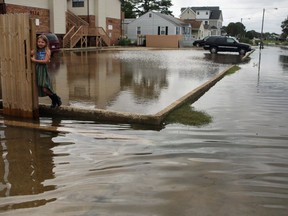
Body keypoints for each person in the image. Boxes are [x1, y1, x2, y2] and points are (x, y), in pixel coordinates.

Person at [31, 34, 61, 108]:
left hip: (44, 70)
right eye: (39, 42)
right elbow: (31, 53)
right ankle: (55, 101)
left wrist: (34, 60)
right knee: (42, 88)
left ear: (46, 43)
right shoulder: (36, 50)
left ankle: (56, 99)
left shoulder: (47, 51)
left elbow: (45, 61)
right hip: (38, 70)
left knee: (45, 88)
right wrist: (32, 53)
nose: (40, 43)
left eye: (42, 42)